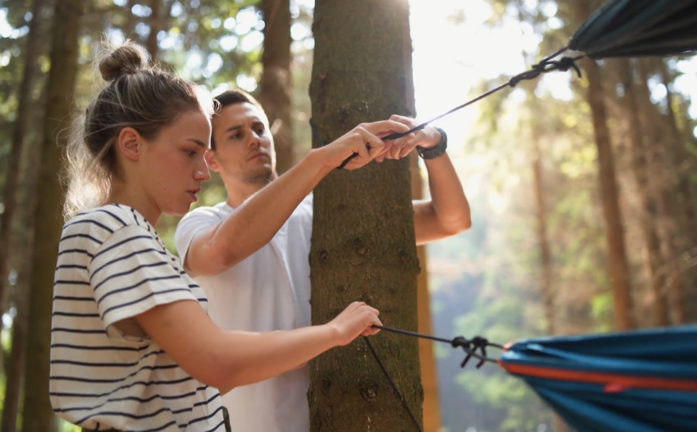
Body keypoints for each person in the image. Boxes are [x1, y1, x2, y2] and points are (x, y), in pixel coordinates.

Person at [50, 41, 398, 432]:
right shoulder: (114, 228)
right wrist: (334, 332)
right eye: (189, 151)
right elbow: (218, 363)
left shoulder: (126, 235)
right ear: (132, 144)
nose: (203, 171)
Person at [175, 89, 471, 431]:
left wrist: (433, 144)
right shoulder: (201, 224)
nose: (253, 140)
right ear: (211, 160)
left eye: (259, 129)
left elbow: (451, 221)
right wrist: (320, 161)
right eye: (236, 135)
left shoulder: (327, 213)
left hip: (341, 416)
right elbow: (220, 252)